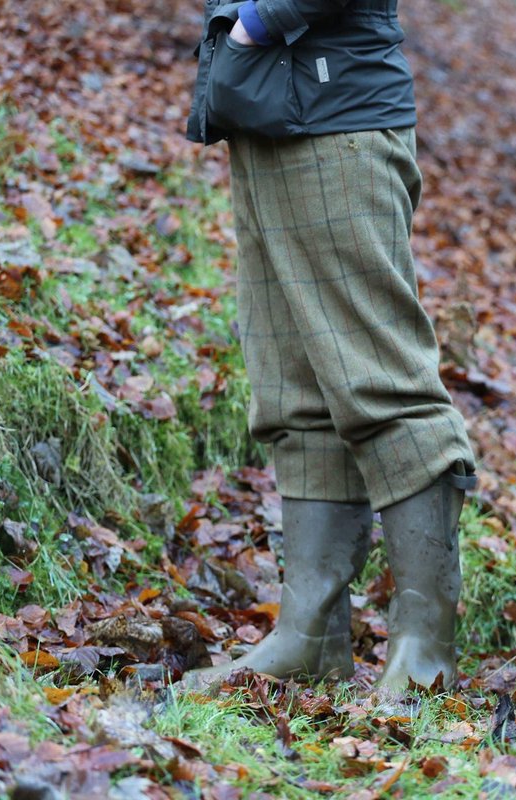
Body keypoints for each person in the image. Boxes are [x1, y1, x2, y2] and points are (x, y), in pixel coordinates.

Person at [182, 0, 477, 692]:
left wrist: (259, 20)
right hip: (270, 110)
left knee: (383, 386)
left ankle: (424, 654)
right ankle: (309, 641)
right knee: (296, 390)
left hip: (335, 112)